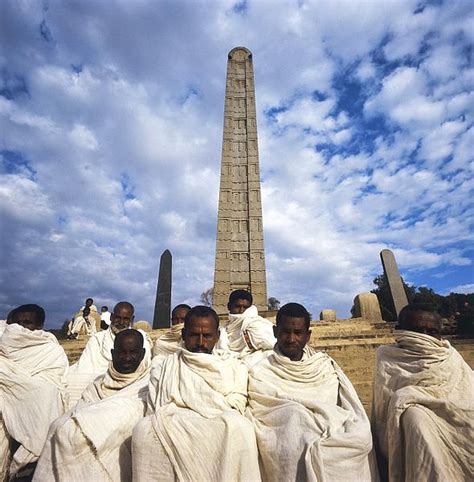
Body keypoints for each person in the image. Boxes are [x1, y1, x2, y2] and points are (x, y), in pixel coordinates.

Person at [247, 303, 378, 482]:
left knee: (360, 438)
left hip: (333, 430)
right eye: (285, 332)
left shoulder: (324, 366)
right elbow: (261, 415)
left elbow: (349, 407)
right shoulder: (260, 371)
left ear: (307, 335)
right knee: (295, 423)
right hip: (287, 438)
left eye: (298, 333)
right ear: (275, 332)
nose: (291, 339)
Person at [132, 305, 261, 481]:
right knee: (143, 429)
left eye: (207, 336)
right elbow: (157, 406)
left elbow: (237, 403)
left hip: (220, 422)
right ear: (184, 335)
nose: (201, 342)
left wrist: (205, 408)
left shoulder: (234, 365)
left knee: (242, 427)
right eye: (194, 335)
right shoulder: (164, 366)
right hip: (173, 422)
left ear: (217, 336)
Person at [373, 303, 474, 482]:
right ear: (399, 331)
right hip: (418, 423)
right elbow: (384, 409)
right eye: (417, 331)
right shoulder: (388, 357)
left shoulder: (450, 355)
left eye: (431, 332)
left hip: (459, 415)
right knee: (414, 418)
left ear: (440, 334)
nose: (424, 338)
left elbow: (467, 391)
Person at [34, 330, 151, 482]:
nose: (127, 358)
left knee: (75, 435)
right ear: (113, 353)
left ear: (142, 354)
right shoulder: (99, 384)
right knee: (58, 427)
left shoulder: (147, 384)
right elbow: (80, 409)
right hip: (84, 431)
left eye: (133, 353)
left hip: (119, 436)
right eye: (122, 353)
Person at [0, 304, 68, 480]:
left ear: (39, 327)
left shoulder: (50, 350)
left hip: (31, 404)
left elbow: (54, 381)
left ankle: (28, 457)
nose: (20, 328)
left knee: (46, 394)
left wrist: (25, 385)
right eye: (17, 323)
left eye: (27, 323)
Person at [67, 302, 152, 406]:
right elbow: (85, 367)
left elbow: (144, 368)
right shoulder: (97, 339)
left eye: (125, 319)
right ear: (111, 317)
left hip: (133, 384)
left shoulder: (141, 338)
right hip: (101, 383)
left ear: (132, 319)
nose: (121, 322)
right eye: (117, 317)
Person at [221, 289, 276, 364]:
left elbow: (272, 345)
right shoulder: (223, 330)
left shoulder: (258, 324)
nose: (241, 311)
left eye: (245, 307)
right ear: (229, 306)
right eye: (237, 306)